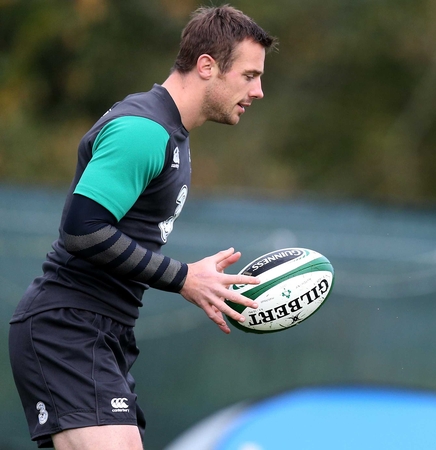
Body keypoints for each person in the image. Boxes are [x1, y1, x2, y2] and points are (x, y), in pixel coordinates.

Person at [8, 5, 276, 449]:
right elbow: (82, 228)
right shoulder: (143, 129)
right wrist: (184, 277)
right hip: (67, 328)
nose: (260, 90)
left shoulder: (173, 135)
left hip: (103, 330)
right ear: (207, 66)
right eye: (250, 75)